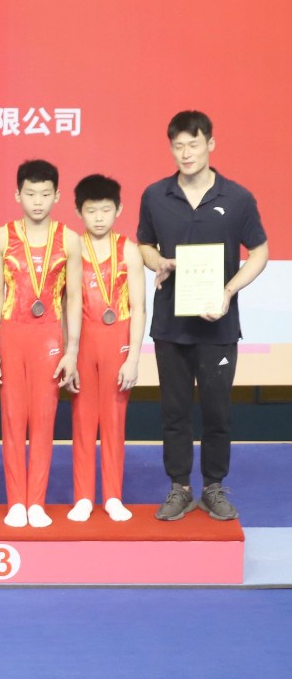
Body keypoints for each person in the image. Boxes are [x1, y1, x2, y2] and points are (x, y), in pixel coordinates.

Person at [137, 111, 268, 522]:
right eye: (178, 146)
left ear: (210, 144)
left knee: (217, 412)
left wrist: (228, 291)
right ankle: (179, 488)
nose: (186, 153)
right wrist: (158, 261)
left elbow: (259, 252)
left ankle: (213, 487)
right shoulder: (155, 195)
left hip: (219, 327)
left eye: (193, 144)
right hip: (170, 327)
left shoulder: (238, 198)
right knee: (174, 412)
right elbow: (144, 244)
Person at [0, 160, 82, 529]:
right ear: (18, 195)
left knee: (44, 419)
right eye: (31, 194)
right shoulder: (2, 237)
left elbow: (72, 299)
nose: (38, 201)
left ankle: (37, 501)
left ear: (57, 196)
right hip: (12, 333)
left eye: (45, 194)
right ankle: (16, 501)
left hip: (48, 336)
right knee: (13, 419)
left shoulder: (69, 240)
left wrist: (71, 350)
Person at [69, 174, 146, 523]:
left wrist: (133, 358)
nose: (99, 218)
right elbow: (64, 306)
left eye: (105, 210)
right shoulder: (72, 248)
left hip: (117, 340)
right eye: (91, 211)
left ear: (119, 209)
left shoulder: (128, 250)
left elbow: (139, 308)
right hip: (83, 341)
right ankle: (83, 497)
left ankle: (113, 496)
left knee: (114, 421)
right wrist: (69, 354)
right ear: (78, 212)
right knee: (83, 420)